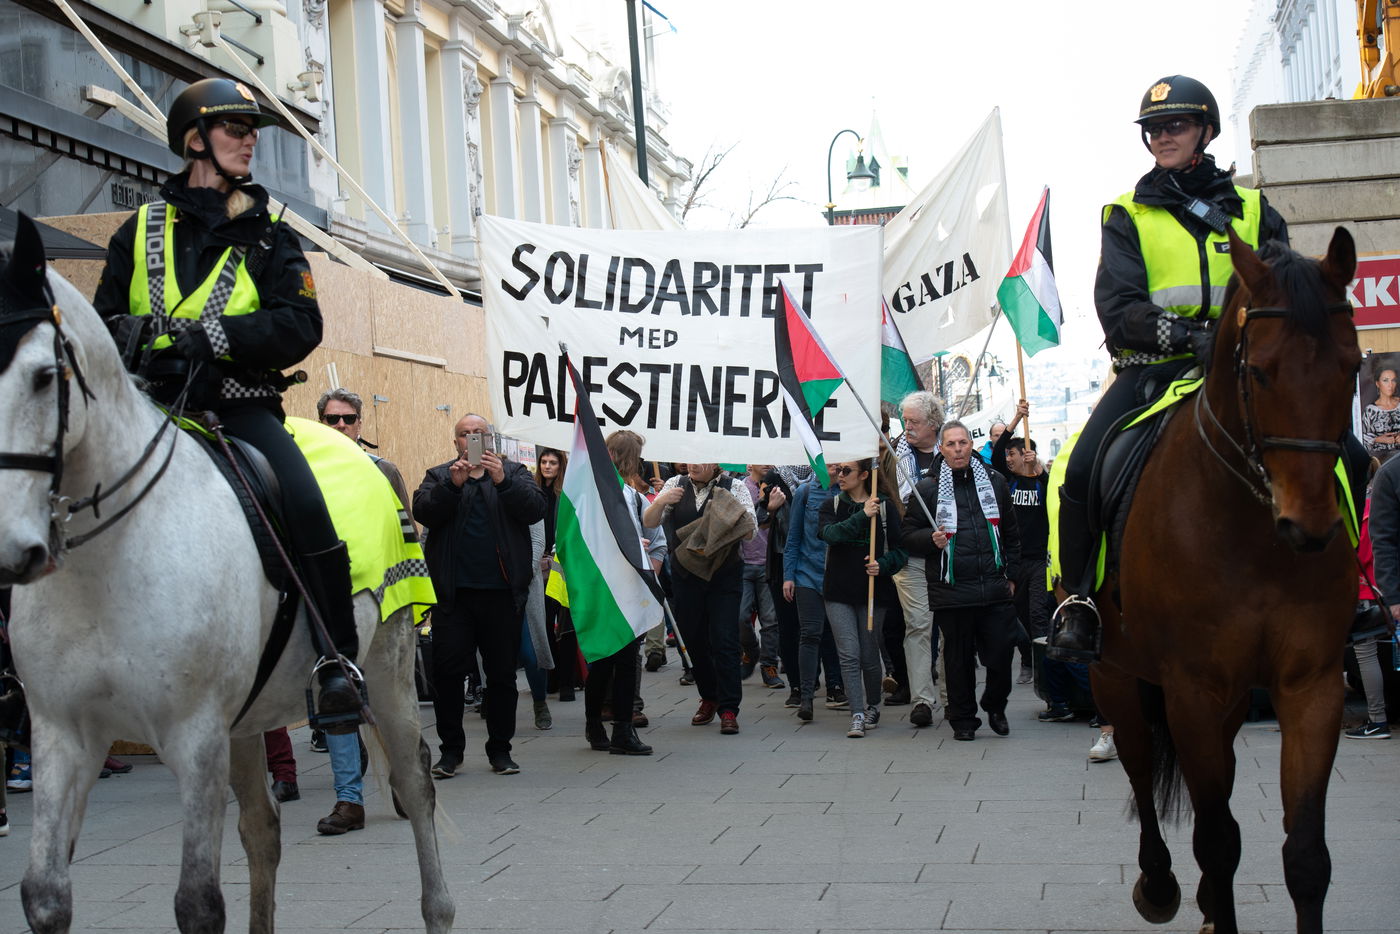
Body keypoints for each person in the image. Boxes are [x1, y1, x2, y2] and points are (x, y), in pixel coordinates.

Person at [92, 78, 364, 731]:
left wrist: (212, 337)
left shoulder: (272, 235)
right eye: (234, 129)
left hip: (237, 410)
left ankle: (336, 662)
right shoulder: (139, 229)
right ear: (194, 140)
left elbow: (300, 326)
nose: (249, 140)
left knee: (302, 498)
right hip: (148, 409)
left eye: (253, 130)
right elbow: (102, 318)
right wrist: (121, 334)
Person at [1047, 75, 1289, 662]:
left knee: (1344, 455)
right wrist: (1189, 336)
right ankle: (1077, 601)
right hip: (1154, 370)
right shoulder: (1127, 215)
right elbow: (1119, 309)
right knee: (1079, 469)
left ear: (1206, 130)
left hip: (1246, 369)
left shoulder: (1256, 210)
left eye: (1175, 125)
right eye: (1154, 128)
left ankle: (1351, 592)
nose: (1162, 136)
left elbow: (1285, 285)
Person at [415, 414, 546, 777]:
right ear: (455, 442)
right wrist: (451, 487)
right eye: (464, 434)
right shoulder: (439, 476)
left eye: (478, 433)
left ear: (491, 440)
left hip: (502, 595)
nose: (471, 439)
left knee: (502, 676)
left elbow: (535, 509)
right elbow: (422, 510)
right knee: (447, 674)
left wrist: (501, 480)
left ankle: (500, 750)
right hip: (453, 597)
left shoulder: (515, 473)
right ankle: (450, 752)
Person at [310, 387, 417, 833]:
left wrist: (413, 600)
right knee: (337, 698)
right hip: (326, 603)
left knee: (389, 699)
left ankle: (403, 777)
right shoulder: (304, 470)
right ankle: (349, 801)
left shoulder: (382, 471)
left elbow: (406, 532)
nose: (339, 427)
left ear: (360, 424)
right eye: (331, 420)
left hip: (382, 603)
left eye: (347, 419)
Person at [901, 421, 1021, 741]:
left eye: (963, 443)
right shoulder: (927, 488)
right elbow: (908, 536)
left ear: (971, 445)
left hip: (994, 586)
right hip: (951, 589)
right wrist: (930, 539)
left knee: (1001, 652)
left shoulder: (994, 482)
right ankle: (964, 719)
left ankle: (995, 703)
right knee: (958, 660)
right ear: (941, 449)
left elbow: (1011, 532)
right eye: (951, 444)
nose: (958, 449)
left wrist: (1013, 575)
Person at [644, 464, 756, 735]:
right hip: (686, 577)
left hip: (725, 576)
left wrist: (729, 515)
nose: (694, 464)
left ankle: (729, 708)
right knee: (693, 639)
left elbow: (750, 532)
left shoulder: (735, 487)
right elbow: (649, 521)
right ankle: (709, 696)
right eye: (690, 458)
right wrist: (660, 502)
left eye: (701, 459)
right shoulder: (674, 484)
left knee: (724, 639)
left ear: (715, 462)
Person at [582, 430, 664, 756]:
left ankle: (621, 729)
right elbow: (586, 540)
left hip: (628, 587)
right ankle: (596, 723)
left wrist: (647, 571)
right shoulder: (592, 494)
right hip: (604, 587)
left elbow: (657, 542)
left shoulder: (633, 496)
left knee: (627, 659)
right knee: (604, 659)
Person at [818, 459, 907, 738]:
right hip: (838, 591)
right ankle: (856, 713)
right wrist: (861, 515)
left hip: (873, 591)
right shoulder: (831, 506)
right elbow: (831, 535)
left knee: (869, 654)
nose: (839, 475)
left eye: (847, 471)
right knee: (848, 653)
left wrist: (883, 564)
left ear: (865, 475)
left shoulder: (885, 509)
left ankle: (872, 704)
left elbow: (901, 552)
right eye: (838, 470)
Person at [893, 390, 947, 725]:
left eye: (913, 421)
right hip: (911, 554)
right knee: (919, 626)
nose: (907, 427)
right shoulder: (893, 456)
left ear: (933, 424)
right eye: (905, 420)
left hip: (951, 554)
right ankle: (923, 701)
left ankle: (954, 697)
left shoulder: (954, 451)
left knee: (952, 629)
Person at [990, 399, 1051, 684]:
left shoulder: (1041, 482)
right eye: (1011, 454)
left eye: (1017, 454)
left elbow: (1053, 493)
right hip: (1014, 561)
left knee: (1038, 615)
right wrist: (1015, 419)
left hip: (1039, 560)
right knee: (1017, 616)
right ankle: (1026, 658)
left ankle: (1044, 671)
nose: (1012, 459)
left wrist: (1037, 466)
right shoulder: (1006, 482)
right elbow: (997, 453)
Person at [1350, 457, 1393, 739]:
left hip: (1367, 594)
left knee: (1365, 656)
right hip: (1388, 591)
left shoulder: (1361, 512)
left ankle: (1378, 720)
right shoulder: (1382, 506)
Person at [536, 449, 581, 700]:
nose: (547, 466)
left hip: (561, 562)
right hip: (538, 563)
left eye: (552, 462)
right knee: (543, 623)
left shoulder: (566, 494)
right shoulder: (533, 491)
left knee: (566, 624)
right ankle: (552, 677)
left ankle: (566, 682)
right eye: (544, 462)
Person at [738, 465, 784, 690]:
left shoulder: (779, 487)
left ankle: (769, 665)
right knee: (740, 616)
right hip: (743, 562)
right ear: (749, 465)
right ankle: (750, 649)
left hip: (769, 563)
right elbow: (749, 523)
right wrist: (765, 505)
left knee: (770, 619)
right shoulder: (740, 488)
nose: (766, 462)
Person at [1362, 367, 1400, 461]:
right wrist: (1378, 439)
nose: (1390, 385)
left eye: (1393, 380)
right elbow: (1361, 438)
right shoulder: (1370, 411)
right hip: (1380, 461)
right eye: (1385, 380)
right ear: (1377, 383)